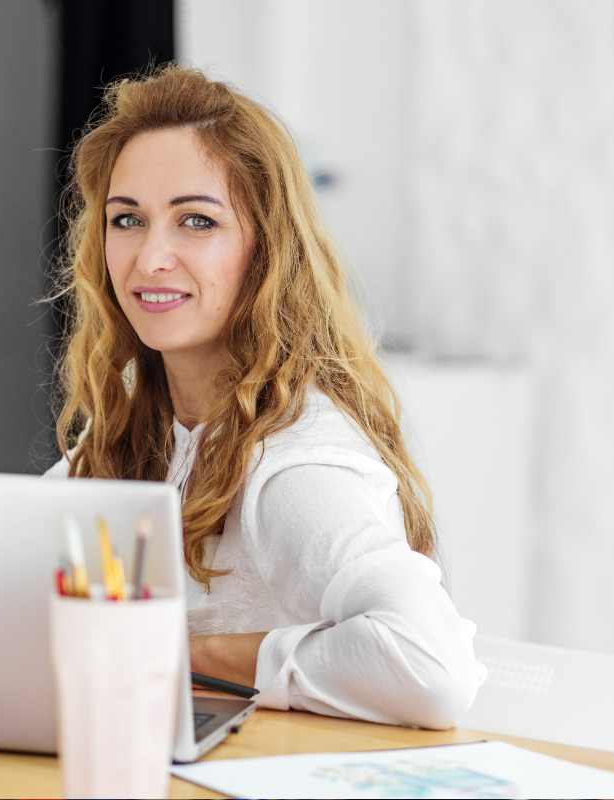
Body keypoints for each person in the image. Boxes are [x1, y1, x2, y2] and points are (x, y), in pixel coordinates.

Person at [43, 65, 485, 728]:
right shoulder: (138, 432)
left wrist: (192, 653)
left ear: (266, 250)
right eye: (127, 219)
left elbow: (432, 670)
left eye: (196, 221)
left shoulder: (293, 464)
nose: (149, 257)